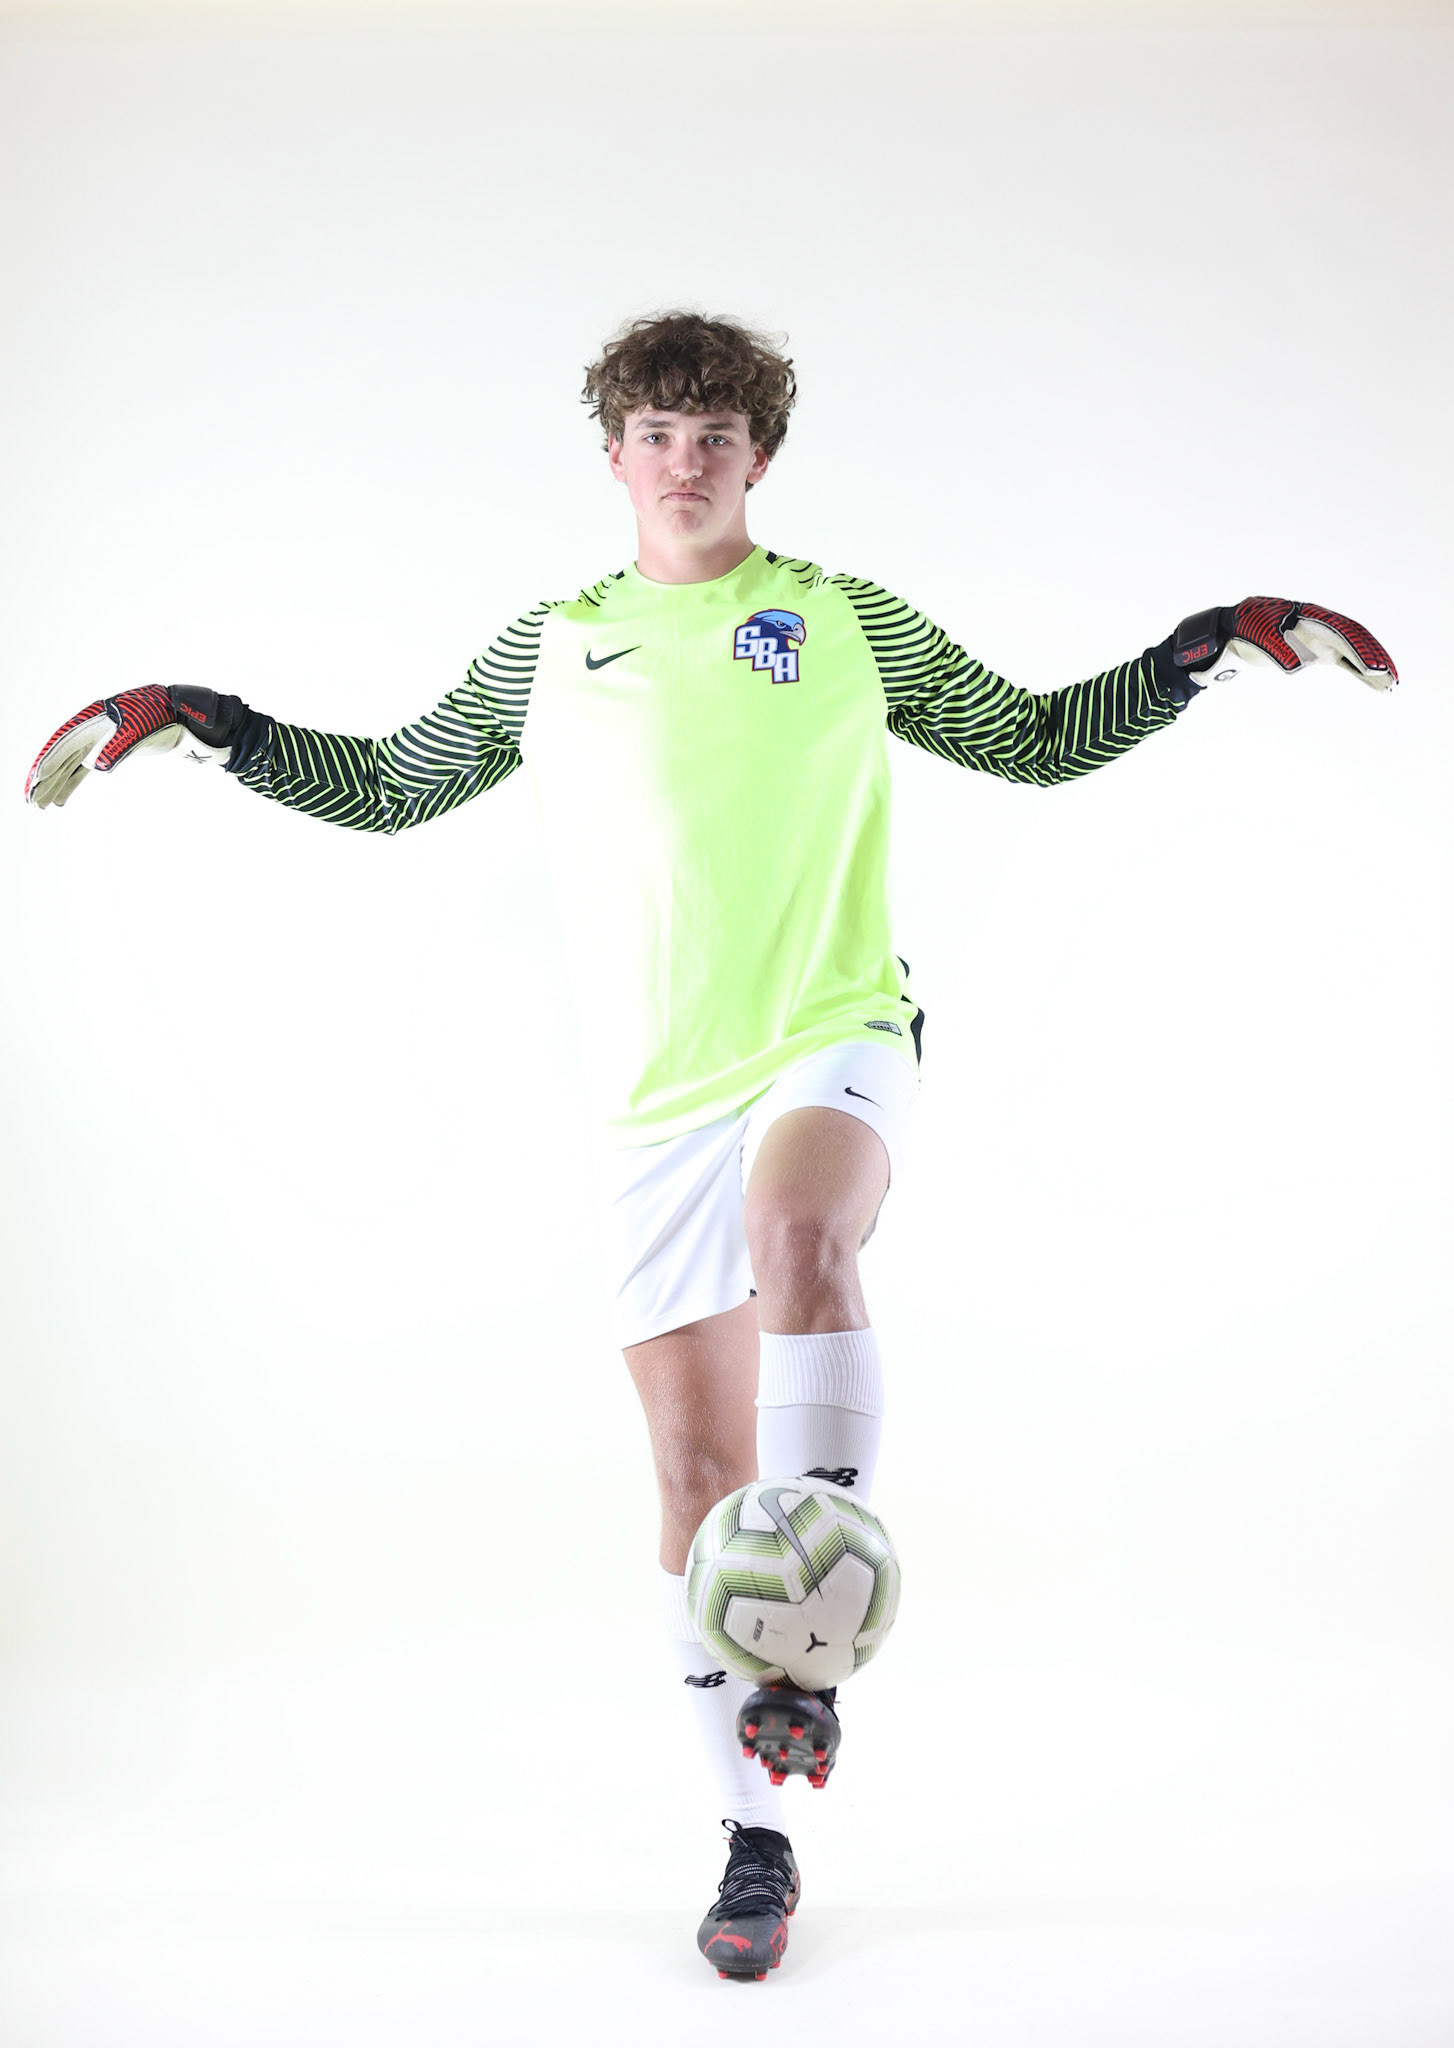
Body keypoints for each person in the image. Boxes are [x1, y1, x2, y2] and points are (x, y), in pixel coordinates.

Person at [24, 309, 1397, 1983]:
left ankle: (806, 1646)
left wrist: (1199, 651)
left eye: (717, 435)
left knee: (799, 1236)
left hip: (833, 1025)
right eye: (658, 434)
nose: (687, 461)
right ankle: (755, 1838)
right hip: (653, 1097)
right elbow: (389, 787)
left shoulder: (842, 618)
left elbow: (1031, 740)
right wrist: (213, 722)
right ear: (613, 456)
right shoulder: (550, 646)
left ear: (760, 456)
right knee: (690, 1486)